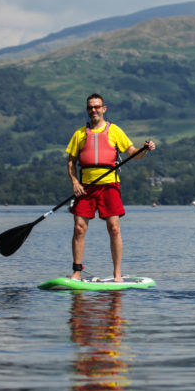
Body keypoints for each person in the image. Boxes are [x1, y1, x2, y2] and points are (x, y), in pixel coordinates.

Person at [66, 93, 155, 282]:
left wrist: (144, 149)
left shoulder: (114, 130)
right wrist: (75, 182)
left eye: (97, 107)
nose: (94, 110)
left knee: (114, 228)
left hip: (109, 185)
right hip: (85, 187)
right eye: (90, 107)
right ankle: (77, 271)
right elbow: (71, 163)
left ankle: (117, 274)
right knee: (79, 228)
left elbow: (133, 153)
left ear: (104, 109)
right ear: (87, 110)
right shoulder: (79, 134)